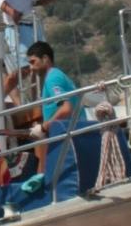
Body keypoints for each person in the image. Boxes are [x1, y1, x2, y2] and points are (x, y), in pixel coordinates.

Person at [24, 40, 94, 201]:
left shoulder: (52, 78)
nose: (31, 68)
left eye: (33, 62)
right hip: (70, 135)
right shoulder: (56, 76)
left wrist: (44, 126)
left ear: (46, 59)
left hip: (67, 138)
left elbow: (66, 108)